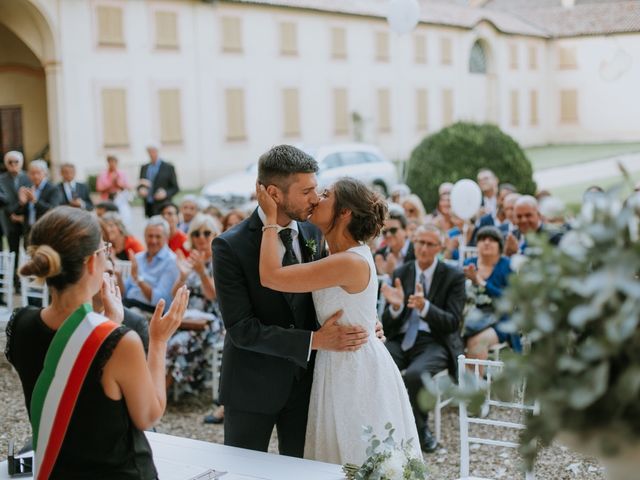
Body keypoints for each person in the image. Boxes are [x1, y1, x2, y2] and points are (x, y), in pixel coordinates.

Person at [212, 145, 374, 459]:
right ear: (273, 193)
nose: (315, 198)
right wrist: (313, 340)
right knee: (243, 472)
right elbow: (241, 329)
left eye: (317, 189)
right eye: (307, 191)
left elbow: (334, 289)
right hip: (251, 386)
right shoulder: (229, 246)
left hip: (308, 385)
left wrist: (362, 321)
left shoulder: (315, 230)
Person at [4, 206, 189, 479]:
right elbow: (148, 416)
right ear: (92, 262)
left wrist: (109, 325)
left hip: (57, 469)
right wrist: (159, 341)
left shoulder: (20, 325)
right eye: (105, 250)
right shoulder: (119, 342)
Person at [255, 175, 420, 465]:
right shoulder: (335, 253)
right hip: (336, 361)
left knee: (358, 453)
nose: (317, 197)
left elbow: (271, 276)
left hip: (355, 369)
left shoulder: (348, 261)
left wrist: (270, 219)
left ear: (345, 212)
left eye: (327, 194)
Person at [380, 224, 465, 453]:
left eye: (429, 244)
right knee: (376, 362)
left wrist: (425, 307)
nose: (423, 248)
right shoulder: (402, 272)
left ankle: (420, 431)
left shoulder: (453, 276)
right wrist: (396, 308)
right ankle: (380, 426)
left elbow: (453, 322)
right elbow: (387, 323)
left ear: (439, 247)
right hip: (401, 339)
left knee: (417, 375)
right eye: (419, 242)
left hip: (434, 341)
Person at [167, 214, 223, 398]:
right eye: (196, 234)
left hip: (211, 322)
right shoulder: (190, 260)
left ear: (215, 235)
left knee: (177, 344)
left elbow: (214, 295)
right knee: (161, 340)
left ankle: (161, 394)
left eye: (207, 233)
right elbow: (174, 294)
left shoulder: (220, 261)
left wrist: (201, 273)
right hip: (187, 319)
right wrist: (183, 276)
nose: (201, 238)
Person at [463, 226, 518, 358]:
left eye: (492, 240)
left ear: (499, 245)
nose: (486, 242)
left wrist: (481, 283)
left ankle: (475, 379)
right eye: (482, 239)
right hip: (470, 318)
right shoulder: (469, 263)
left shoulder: (507, 265)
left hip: (500, 319)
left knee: (476, 342)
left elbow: (510, 299)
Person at [123, 216, 180, 313]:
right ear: (144, 237)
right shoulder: (138, 258)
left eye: (158, 236)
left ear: (166, 238)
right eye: (150, 236)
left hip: (150, 311)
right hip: (128, 304)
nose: (153, 241)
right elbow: (125, 291)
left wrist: (138, 279)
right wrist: (116, 274)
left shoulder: (171, 261)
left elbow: (159, 301)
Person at [0, 151, 32, 279]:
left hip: (27, 220)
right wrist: (13, 212)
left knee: (29, 252)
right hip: (9, 221)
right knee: (13, 253)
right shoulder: (1, 180)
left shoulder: (29, 177)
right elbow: (3, 200)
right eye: (10, 162)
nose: (13, 164)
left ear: (21, 163)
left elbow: (31, 199)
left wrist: (23, 216)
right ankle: (15, 281)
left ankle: (27, 281)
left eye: (16, 162)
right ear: (6, 164)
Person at [18, 160, 62, 244]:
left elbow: (52, 209)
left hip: (45, 230)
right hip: (29, 230)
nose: (35, 176)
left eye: (38, 173)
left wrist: (35, 200)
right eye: (32, 173)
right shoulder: (28, 188)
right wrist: (21, 202)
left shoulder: (53, 189)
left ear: (45, 173)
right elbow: (21, 212)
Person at [137, 144, 179, 217]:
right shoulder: (144, 167)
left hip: (163, 206)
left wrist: (165, 193)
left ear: (157, 151)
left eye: (153, 151)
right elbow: (140, 184)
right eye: (149, 152)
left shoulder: (168, 167)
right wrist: (140, 189)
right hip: (149, 206)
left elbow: (175, 188)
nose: (151, 154)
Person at [374, 210, 415, 276]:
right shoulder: (379, 254)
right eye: (385, 231)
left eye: (393, 230)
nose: (388, 235)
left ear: (406, 230)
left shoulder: (417, 253)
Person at [96, 155, 132, 227]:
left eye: (114, 162)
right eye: (110, 162)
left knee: (120, 220)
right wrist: (110, 185)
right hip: (107, 201)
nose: (112, 164)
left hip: (119, 201)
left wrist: (118, 185)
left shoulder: (122, 174)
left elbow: (127, 187)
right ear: (108, 163)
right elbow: (98, 188)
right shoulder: (102, 175)